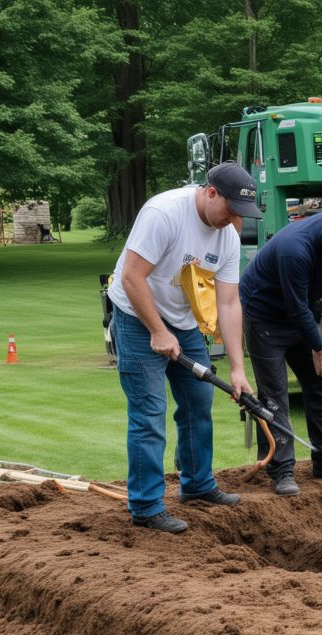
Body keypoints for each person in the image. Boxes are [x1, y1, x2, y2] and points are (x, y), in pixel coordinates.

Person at [106, 162, 256, 534]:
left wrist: (238, 369)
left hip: (184, 324)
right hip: (136, 316)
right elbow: (131, 277)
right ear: (210, 193)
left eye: (241, 214)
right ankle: (145, 506)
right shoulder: (164, 213)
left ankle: (198, 485)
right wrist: (157, 330)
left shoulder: (229, 237)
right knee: (149, 411)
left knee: (198, 402)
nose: (234, 220)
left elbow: (228, 305)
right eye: (230, 210)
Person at [239, 211, 322, 496]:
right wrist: (319, 348)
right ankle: (281, 470)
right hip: (265, 316)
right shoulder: (295, 250)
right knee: (274, 396)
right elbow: (296, 308)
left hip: (301, 312)